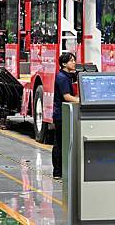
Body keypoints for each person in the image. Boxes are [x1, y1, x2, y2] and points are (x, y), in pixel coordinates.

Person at [52, 52, 79, 180]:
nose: (74, 62)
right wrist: (81, 100)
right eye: (71, 61)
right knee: (60, 143)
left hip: (62, 114)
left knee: (61, 142)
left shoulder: (66, 76)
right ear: (64, 64)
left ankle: (59, 171)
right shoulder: (62, 78)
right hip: (61, 115)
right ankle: (58, 171)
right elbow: (66, 97)